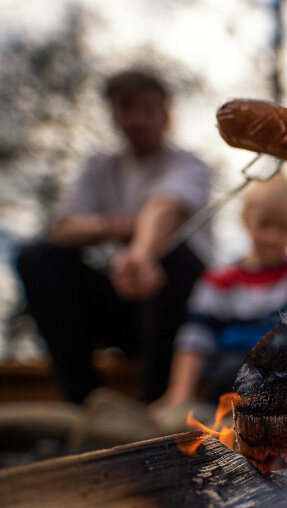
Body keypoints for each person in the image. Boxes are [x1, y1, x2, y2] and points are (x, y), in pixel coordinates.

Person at [16, 69, 211, 403]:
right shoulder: (100, 167)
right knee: (39, 257)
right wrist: (107, 227)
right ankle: (83, 400)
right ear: (114, 115)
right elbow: (62, 227)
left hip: (181, 314)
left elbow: (164, 206)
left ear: (166, 115)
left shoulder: (188, 164)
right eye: (127, 108)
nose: (138, 120)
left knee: (174, 254)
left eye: (148, 109)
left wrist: (140, 253)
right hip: (125, 305)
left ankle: (158, 401)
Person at [151, 174, 287, 411]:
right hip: (230, 369)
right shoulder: (219, 278)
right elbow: (196, 336)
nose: (272, 236)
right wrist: (180, 393)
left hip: (277, 367)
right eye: (264, 224)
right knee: (232, 372)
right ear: (246, 220)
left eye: (283, 227)